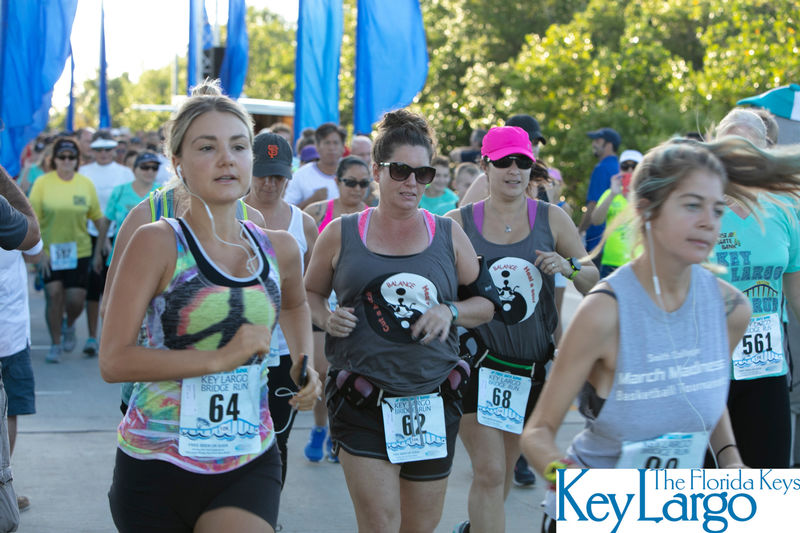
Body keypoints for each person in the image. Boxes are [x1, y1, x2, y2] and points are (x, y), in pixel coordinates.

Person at [519, 136, 800, 532]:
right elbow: (537, 432)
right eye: (691, 205)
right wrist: (561, 474)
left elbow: (702, 386)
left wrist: (730, 456)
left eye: (717, 209)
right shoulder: (604, 313)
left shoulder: (732, 310)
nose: (708, 221)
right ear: (648, 210)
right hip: (597, 516)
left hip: (677, 512)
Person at [100, 80, 322, 533]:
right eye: (208, 147)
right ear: (178, 161)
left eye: (239, 146)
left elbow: (296, 305)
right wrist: (220, 357)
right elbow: (113, 359)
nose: (227, 158)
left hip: (247, 455)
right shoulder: (156, 240)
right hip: (159, 458)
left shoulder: (277, 246)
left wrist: (304, 361)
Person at [304, 109, 494, 533]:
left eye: (422, 172)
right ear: (377, 170)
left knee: (419, 527)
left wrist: (452, 310)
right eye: (401, 170)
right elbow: (310, 293)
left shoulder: (448, 234)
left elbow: (487, 304)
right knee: (381, 523)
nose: (412, 182)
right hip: (362, 400)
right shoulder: (341, 232)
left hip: (432, 399)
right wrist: (327, 316)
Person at [446, 126, 598, 533]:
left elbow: (592, 278)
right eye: (503, 162)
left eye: (523, 162)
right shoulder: (457, 223)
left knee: (504, 472)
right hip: (474, 363)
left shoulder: (552, 218)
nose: (514, 170)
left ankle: (475, 528)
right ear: (486, 166)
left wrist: (567, 267)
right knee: (491, 471)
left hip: (528, 369)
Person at [710, 108, 800, 469]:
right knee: (702, 489)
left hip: (766, 369)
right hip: (706, 366)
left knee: (769, 481)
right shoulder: (699, 206)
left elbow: (795, 292)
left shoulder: (786, 208)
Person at [244, 131, 319, 487]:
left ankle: (267, 518)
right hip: (237, 349)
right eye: (262, 174)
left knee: (278, 439)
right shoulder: (227, 214)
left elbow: (312, 291)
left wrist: (309, 356)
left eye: (278, 175)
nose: (270, 183)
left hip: (284, 351)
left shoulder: (303, 224)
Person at [302, 156, 371, 463]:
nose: (357, 189)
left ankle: (337, 432)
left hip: (357, 309)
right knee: (323, 370)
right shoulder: (318, 213)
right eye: (351, 182)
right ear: (338, 182)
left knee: (352, 375)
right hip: (321, 304)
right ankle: (320, 427)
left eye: (364, 183)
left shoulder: (374, 217)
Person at [29, 138, 104, 364]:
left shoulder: (85, 184)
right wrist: (37, 252)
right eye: (62, 157)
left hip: (79, 250)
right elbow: (32, 219)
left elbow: (98, 219)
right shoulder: (43, 183)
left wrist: (102, 247)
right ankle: (55, 343)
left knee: (75, 300)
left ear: (77, 161)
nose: (67, 161)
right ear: (54, 160)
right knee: (53, 295)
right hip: (50, 251)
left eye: (72, 158)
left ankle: (69, 324)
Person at [0, 165, 43, 517]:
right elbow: (33, 239)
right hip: (7, 331)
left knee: (10, 407)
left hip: (8, 330)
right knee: (9, 407)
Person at [78, 131, 136, 357]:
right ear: (92, 150)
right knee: (93, 285)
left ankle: (112, 336)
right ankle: (92, 335)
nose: (103, 154)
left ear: (114, 150)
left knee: (115, 288)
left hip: (119, 233)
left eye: (108, 149)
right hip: (88, 231)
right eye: (99, 149)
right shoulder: (83, 172)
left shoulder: (124, 173)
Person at [91, 151, 161, 281]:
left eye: (154, 168)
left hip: (151, 260)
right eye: (145, 167)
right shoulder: (120, 191)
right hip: (119, 257)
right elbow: (105, 223)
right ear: (134, 170)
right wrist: (97, 254)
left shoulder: (163, 193)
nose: (150, 171)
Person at [459, 115, 547, 207]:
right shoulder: (485, 182)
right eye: (525, 141)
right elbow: (459, 219)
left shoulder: (547, 184)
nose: (531, 147)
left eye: (536, 143)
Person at [590, 149, 643, 278]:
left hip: (637, 263)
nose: (630, 171)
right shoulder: (610, 193)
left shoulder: (646, 196)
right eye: (625, 166)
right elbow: (596, 220)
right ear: (620, 169)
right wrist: (613, 194)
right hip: (610, 262)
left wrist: (632, 196)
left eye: (634, 167)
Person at [577, 127, 621, 268]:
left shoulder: (601, 168)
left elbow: (593, 205)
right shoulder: (620, 168)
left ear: (609, 145)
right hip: (616, 244)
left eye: (597, 140)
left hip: (597, 243)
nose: (593, 144)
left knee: (590, 285)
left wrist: (579, 231)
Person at [284, 123, 346, 209]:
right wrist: (311, 201)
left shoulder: (353, 174)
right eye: (327, 143)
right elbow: (287, 210)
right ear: (317, 146)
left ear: (343, 147)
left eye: (336, 143)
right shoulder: (301, 175)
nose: (331, 148)